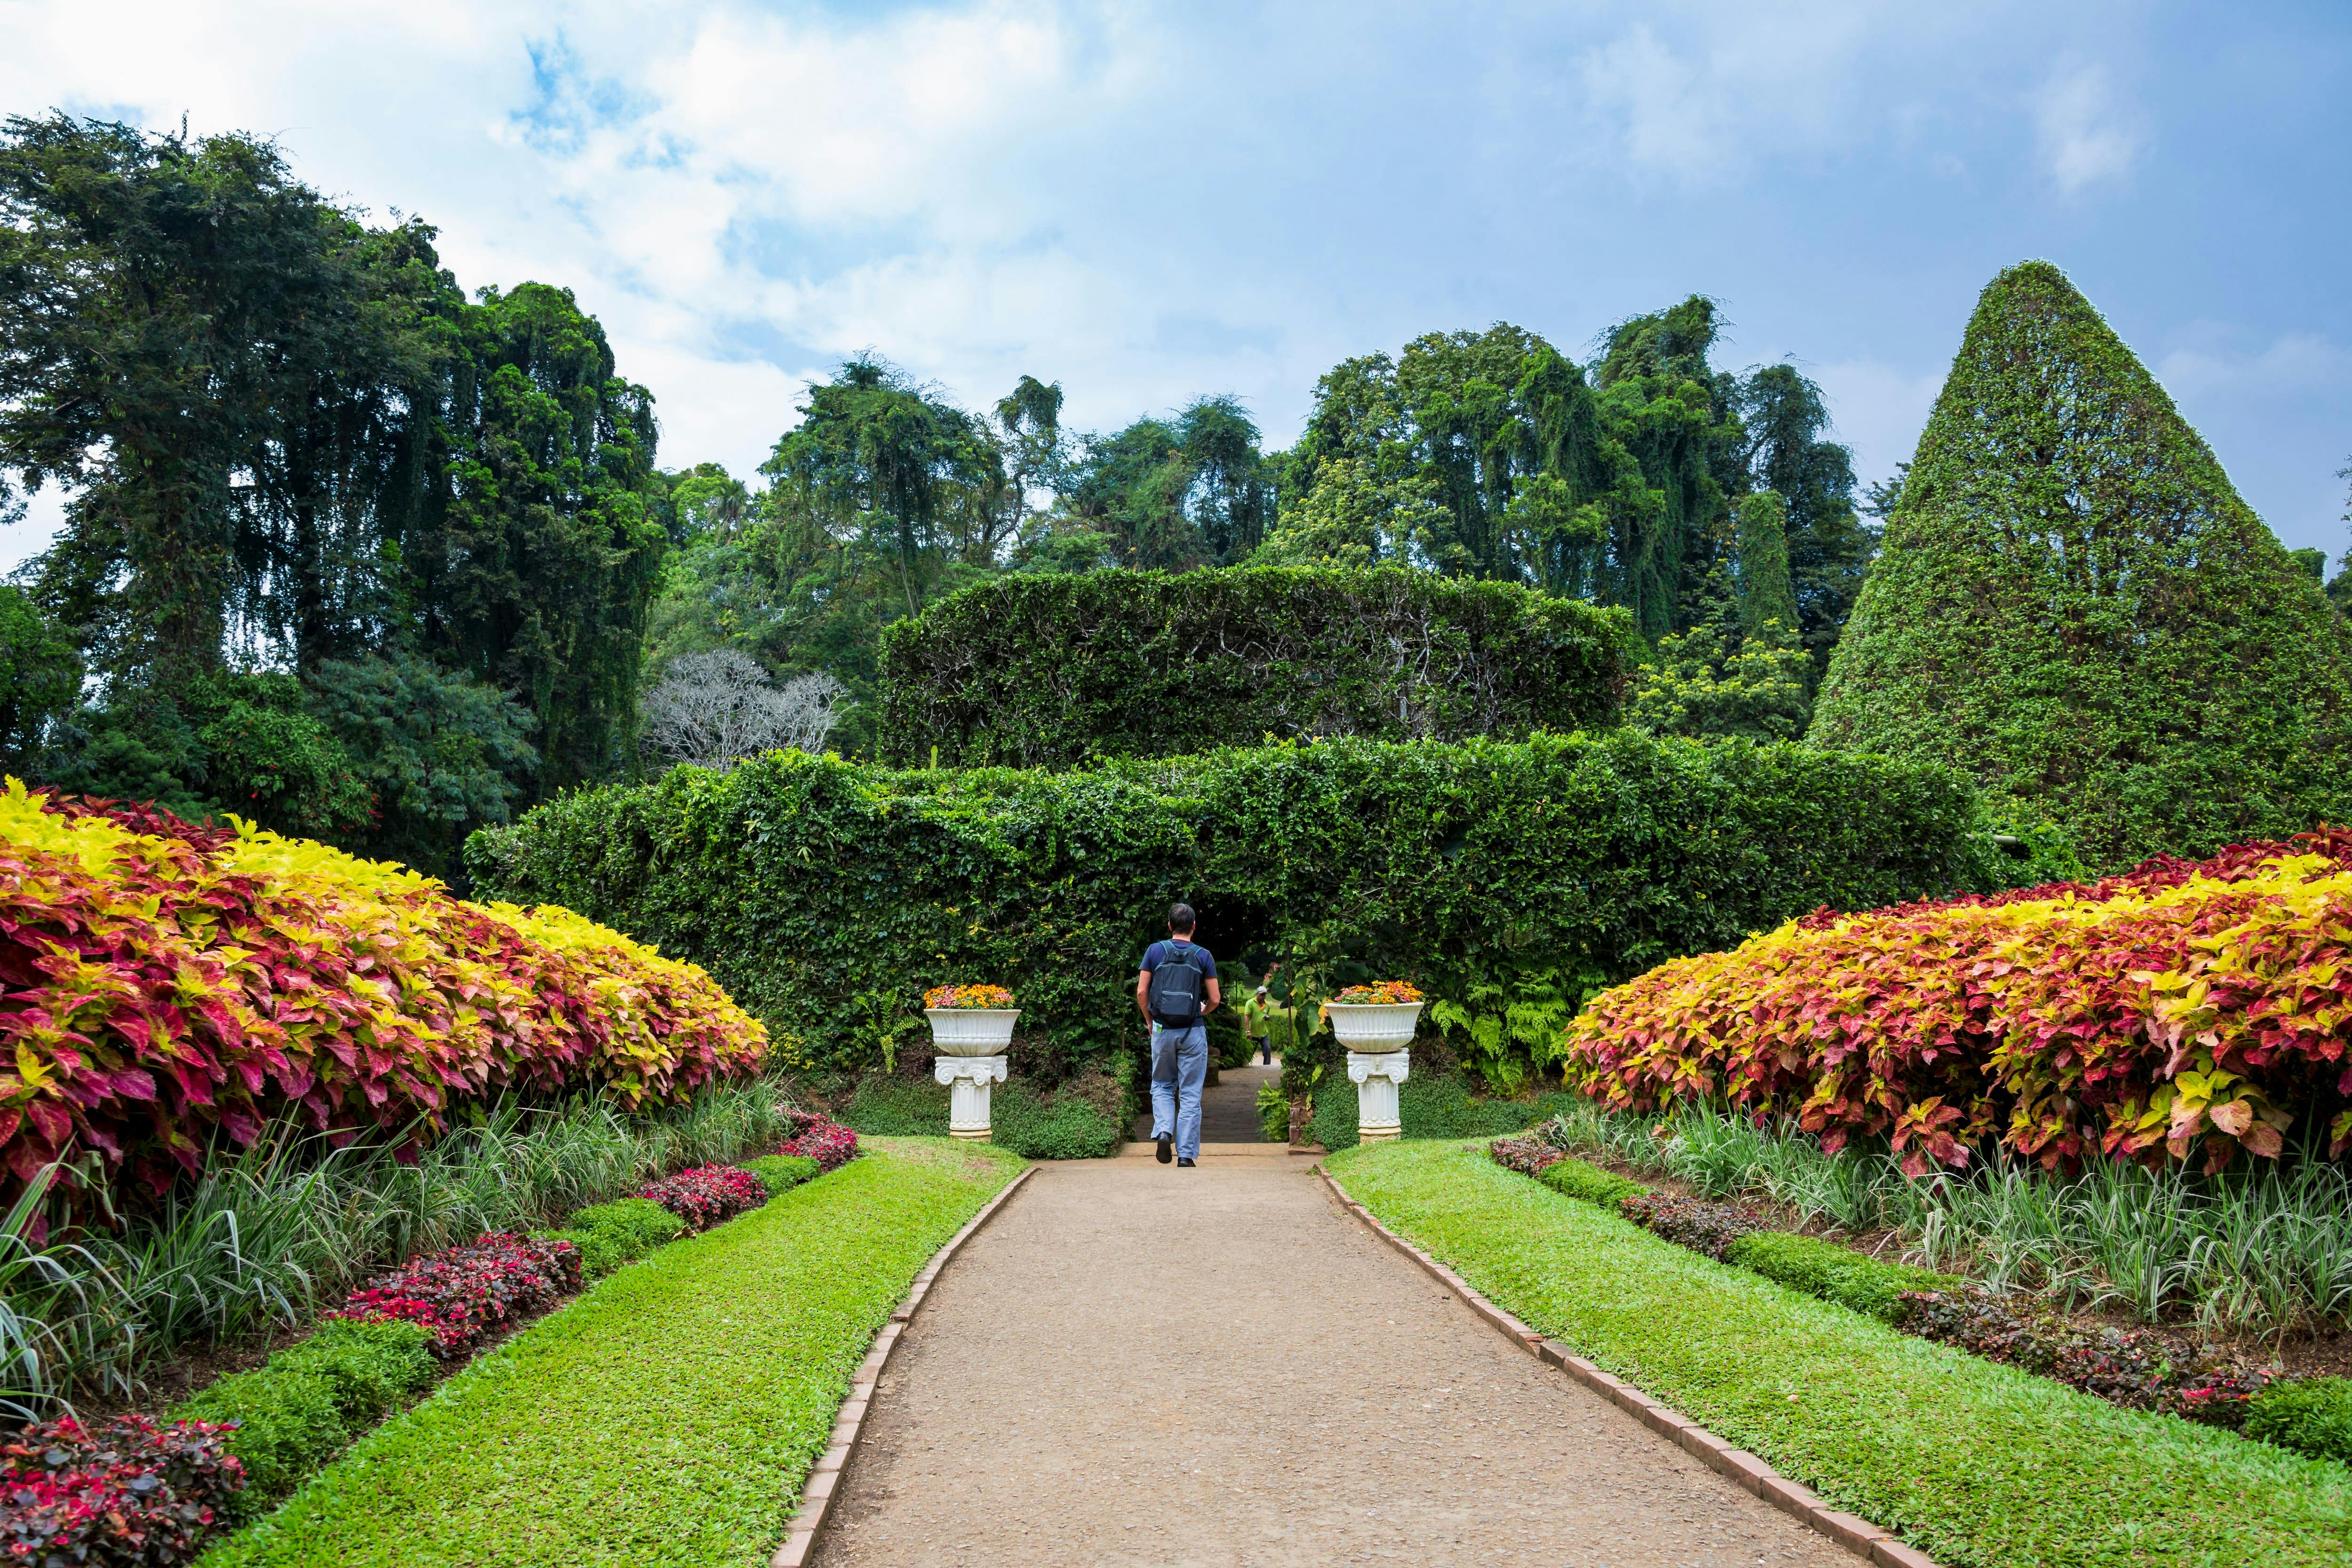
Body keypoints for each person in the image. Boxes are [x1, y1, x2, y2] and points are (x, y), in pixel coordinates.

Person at [1137, 902, 1220, 1167]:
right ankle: (1185, 1156)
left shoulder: (1155, 951)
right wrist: (1202, 1012)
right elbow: (1215, 999)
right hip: (1192, 1031)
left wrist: (1150, 1021)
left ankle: (1164, 1131)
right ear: (1194, 927)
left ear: (1170, 926)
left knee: (1162, 1085)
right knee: (1191, 1093)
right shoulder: (1203, 955)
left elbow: (1141, 993)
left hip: (1162, 1030)